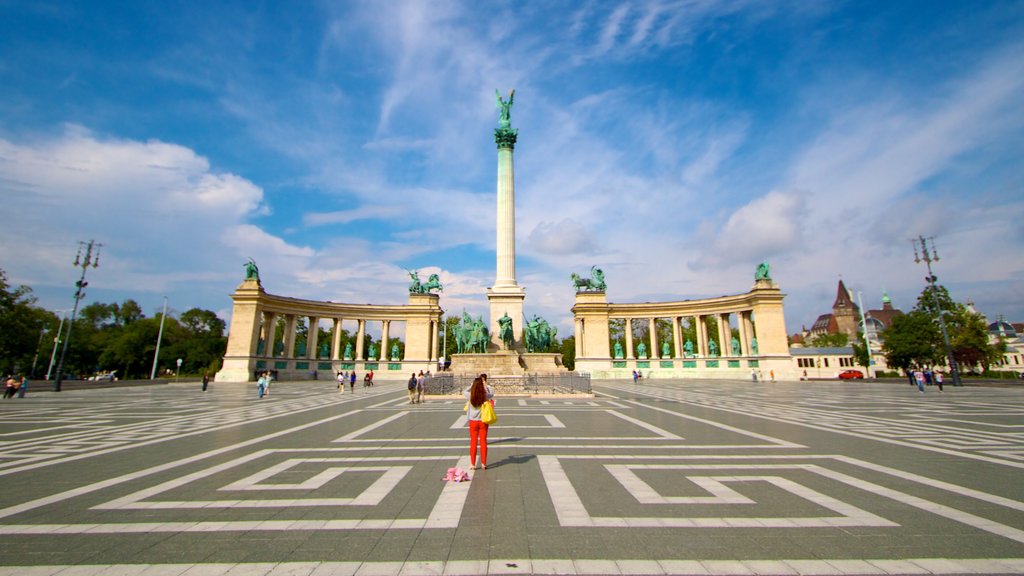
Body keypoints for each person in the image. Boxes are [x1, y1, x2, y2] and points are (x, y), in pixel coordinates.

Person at [464, 376, 494, 470]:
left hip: (473, 421)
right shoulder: (484, 395)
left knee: (473, 442)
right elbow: (492, 393)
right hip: (483, 421)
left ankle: (473, 464)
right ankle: (483, 464)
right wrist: (486, 385)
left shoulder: (470, 395)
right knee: (483, 442)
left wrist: (471, 385)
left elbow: (464, 391)